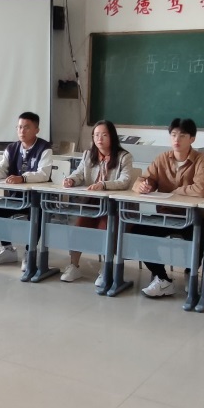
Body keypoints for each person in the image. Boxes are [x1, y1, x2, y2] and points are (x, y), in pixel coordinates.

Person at [131, 117, 204, 297]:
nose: (177, 139)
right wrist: (142, 186)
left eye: (182, 135)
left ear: (192, 139)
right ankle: (162, 279)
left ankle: (191, 273)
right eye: (173, 135)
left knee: (200, 235)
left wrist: (175, 191)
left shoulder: (201, 160)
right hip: (166, 215)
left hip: (192, 217)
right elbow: (143, 180)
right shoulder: (162, 159)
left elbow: (200, 189)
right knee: (138, 231)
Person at [60, 120, 133, 286]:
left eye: (104, 135)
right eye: (96, 135)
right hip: (91, 203)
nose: (99, 139)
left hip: (114, 206)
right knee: (79, 227)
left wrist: (104, 185)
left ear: (112, 137)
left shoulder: (124, 157)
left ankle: (106, 268)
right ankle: (74, 265)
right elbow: (79, 173)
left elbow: (125, 181)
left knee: (104, 229)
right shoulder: (88, 155)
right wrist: (71, 180)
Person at [0, 111, 52, 267]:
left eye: (27, 127)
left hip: (37, 199)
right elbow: (2, 166)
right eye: (19, 127)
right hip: (16, 197)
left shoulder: (44, 148)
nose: (22, 131)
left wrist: (23, 178)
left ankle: (30, 252)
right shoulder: (12, 148)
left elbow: (43, 173)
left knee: (38, 213)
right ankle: (8, 249)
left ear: (36, 130)